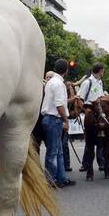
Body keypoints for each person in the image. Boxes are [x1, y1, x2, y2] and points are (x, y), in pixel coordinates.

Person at [41, 59, 73, 187]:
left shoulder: (51, 82)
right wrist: (66, 120)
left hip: (51, 118)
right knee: (54, 152)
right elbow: (59, 105)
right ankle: (51, 180)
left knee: (58, 151)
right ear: (66, 70)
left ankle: (61, 178)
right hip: (54, 119)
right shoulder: (59, 84)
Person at [78, 63, 107, 180]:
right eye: (103, 71)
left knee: (100, 138)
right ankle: (85, 164)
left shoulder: (100, 82)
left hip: (99, 112)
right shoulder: (87, 82)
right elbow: (80, 98)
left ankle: (101, 163)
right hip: (90, 111)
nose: (103, 73)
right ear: (99, 71)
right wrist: (86, 112)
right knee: (89, 141)